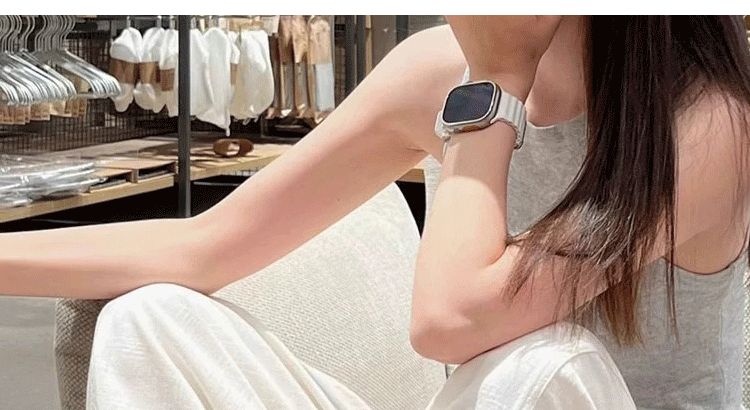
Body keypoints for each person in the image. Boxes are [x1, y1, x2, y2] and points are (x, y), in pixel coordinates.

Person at [2, 15, 749, 409]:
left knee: (538, 362)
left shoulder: (708, 125)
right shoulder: (432, 69)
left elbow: (451, 321)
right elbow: (205, 246)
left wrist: (494, 80)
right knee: (151, 321)